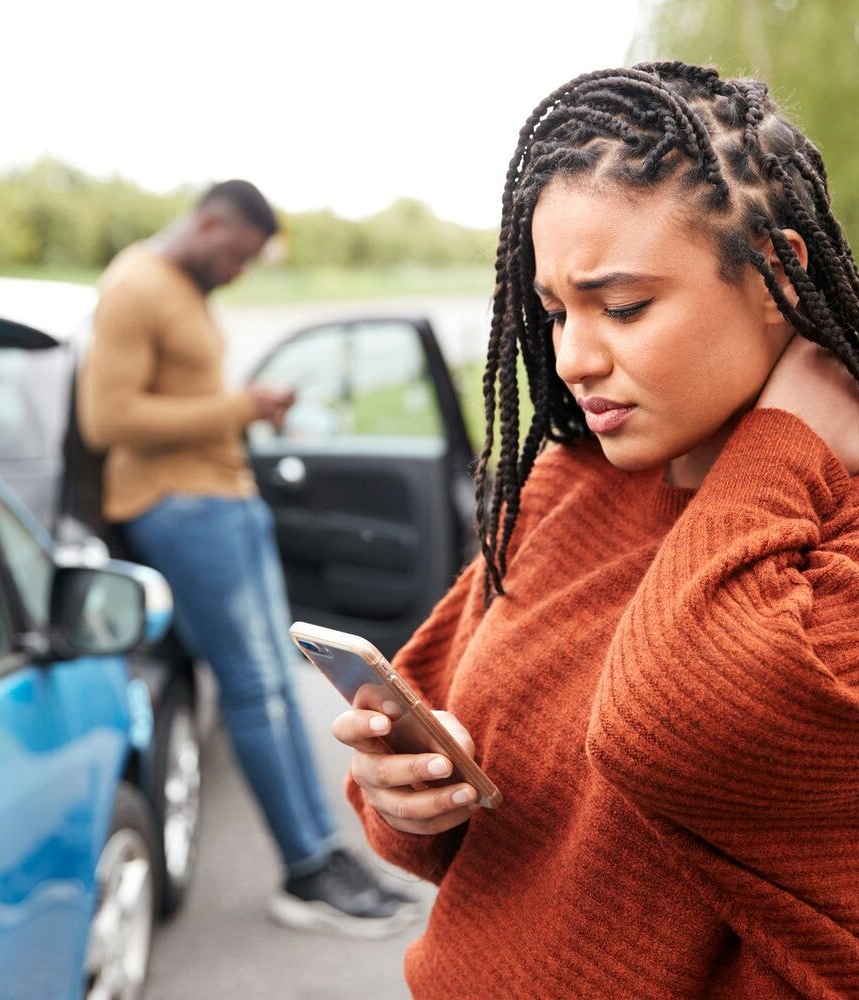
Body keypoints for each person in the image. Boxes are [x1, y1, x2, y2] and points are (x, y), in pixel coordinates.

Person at [333, 62, 859, 997]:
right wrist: (410, 806)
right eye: (554, 311)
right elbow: (476, 799)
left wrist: (782, 448)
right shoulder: (569, 485)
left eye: (623, 307)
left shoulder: (840, 539)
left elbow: (672, 727)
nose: (573, 358)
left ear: (778, 271)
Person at [77, 180, 417, 936]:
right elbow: (108, 418)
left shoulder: (183, 287)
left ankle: (327, 854)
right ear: (208, 224)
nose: (237, 272)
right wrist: (242, 407)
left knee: (276, 684)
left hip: (225, 502)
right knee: (255, 688)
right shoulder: (136, 285)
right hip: (181, 509)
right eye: (235, 255)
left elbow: (176, 397)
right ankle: (306, 872)